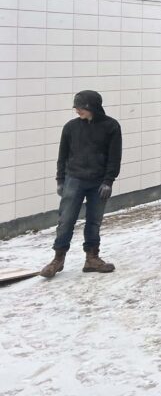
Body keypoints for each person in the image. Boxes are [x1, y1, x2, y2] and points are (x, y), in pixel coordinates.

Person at [39, 90, 122, 278]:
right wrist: (60, 180)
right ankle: (58, 259)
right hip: (74, 180)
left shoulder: (111, 127)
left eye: (81, 106)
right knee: (66, 220)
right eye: (76, 106)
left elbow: (114, 157)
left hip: (99, 182)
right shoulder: (70, 127)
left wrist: (108, 181)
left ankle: (92, 258)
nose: (77, 110)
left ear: (92, 106)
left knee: (94, 221)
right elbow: (63, 156)